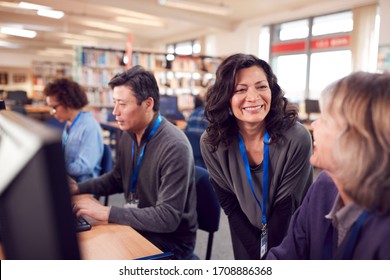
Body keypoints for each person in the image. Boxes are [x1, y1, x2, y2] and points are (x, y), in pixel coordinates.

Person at [70, 65, 198, 260]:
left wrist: (106, 212)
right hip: (137, 225)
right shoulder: (129, 136)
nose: (115, 112)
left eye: (122, 104)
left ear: (148, 104)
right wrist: (77, 188)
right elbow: (116, 179)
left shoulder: (174, 146)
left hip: (171, 241)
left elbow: (167, 218)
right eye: (114, 103)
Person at [200, 53, 313, 259]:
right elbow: (231, 207)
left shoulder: (296, 138)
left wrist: (266, 261)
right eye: (241, 89)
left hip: (292, 233)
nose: (253, 97)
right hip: (245, 229)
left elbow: (285, 210)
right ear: (225, 97)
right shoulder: (212, 142)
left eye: (261, 86)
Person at [267, 71, 390, 260]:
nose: (314, 125)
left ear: (356, 139)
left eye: (325, 119)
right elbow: (286, 257)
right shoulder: (324, 186)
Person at [44, 78, 103, 183]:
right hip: (68, 180)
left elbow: (85, 166)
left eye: (54, 107)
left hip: (82, 186)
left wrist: (56, 169)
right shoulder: (69, 123)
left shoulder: (89, 127)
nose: (52, 112)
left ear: (68, 103)